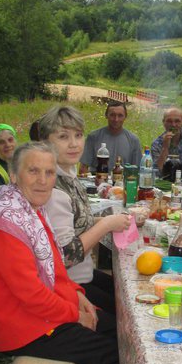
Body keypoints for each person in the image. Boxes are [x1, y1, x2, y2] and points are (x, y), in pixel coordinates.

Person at [0, 142, 121, 364]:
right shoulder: (3, 224)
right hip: (24, 328)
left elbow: (54, 266)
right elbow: (31, 296)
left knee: (117, 330)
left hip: (42, 312)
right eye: (33, 171)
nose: (42, 181)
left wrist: (77, 295)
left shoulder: (27, 208)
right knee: (109, 354)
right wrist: (75, 315)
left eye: (49, 173)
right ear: (14, 175)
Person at [38, 106, 131, 313]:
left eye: (78, 135)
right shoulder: (52, 188)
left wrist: (115, 222)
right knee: (124, 314)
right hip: (67, 285)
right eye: (63, 136)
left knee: (127, 294)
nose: (73, 144)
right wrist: (107, 224)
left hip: (83, 273)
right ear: (45, 142)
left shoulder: (68, 176)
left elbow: (77, 224)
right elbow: (67, 256)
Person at [79, 102, 142, 174]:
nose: (116, 119)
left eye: (120, 115)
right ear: (106, 115)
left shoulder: (133, 140)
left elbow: (137, 170)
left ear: (125, 117)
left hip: (122, 183)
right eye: (112, 115)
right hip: (97, 182)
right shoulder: (93, 137)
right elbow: (83, 168)